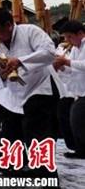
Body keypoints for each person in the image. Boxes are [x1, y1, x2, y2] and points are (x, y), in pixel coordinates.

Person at [0, 8, 57, 178]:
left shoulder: (30, 31)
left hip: (37, 88)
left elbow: (50, 53)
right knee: (9, 133)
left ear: (8, 25)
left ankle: (47, 179)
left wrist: (20, 61)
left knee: (36, 134)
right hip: (13, 95)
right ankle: (16, 173)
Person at [53, 20, 85, 159]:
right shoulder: (75, 49)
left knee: (76, 118)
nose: (67, 41)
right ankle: (80, 149)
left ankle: (81, 150)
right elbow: (72, 71)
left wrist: (66, 61)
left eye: (69, 37)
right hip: (80, 92)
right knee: (74, 120)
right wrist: (61, 68)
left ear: (80, 34)